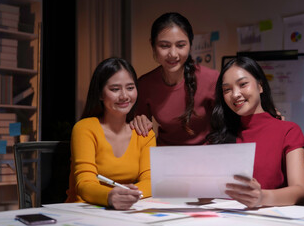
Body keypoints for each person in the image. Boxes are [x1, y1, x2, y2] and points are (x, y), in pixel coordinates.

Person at [206, 56, 304, 208]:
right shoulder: (219, 135)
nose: (235, 94)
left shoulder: (288, 130)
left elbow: (300, 191)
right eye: (227, 89)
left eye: (243, 84)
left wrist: (262, 197)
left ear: (260, 86)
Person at [66, 57, 156, 210]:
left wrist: (128, 194)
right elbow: (84, 183)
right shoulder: (84, 129)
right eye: (115, 89)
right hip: (83, 211)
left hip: (124, 211)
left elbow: (150, 181)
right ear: (100, 94)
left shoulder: (144, 133)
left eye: (130, 87)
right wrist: (110, 196)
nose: (124, 96)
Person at [130, 12, 219, 146]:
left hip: (206, 156)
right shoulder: (144, 84)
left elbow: (225, 128)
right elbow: (141, 133)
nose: (173, 54)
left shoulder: (212, 79)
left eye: (181, 45)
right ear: (153, 45)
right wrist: (138, 122)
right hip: (165, 156)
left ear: (190, 44)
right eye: (164, 46)